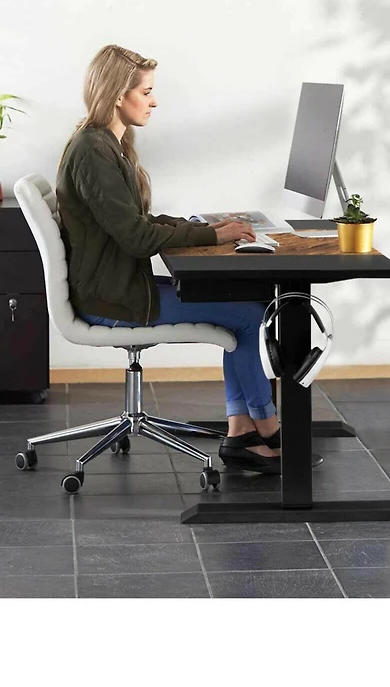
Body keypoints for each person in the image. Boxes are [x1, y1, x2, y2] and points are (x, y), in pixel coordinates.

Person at [57, 44, 318, 475]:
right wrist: (211, 233)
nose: (154, 100)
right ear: (118, 94)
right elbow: (137, 236)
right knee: (247, 315)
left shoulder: (104, 144)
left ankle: (242, 431)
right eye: (146, 91)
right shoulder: (93, 152)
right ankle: (266, 428)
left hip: (117, 286)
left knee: (246, 307)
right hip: (112, 300)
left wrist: (202, 226)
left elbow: (134, 222)